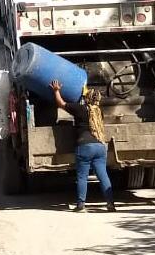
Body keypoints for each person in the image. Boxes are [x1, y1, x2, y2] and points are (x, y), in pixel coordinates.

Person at [50, 80, 116, 213]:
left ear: (87, 99)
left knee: (82, 176)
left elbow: (61, 104)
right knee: (103, 175)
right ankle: (110, 204)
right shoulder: (99, 112)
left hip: (85, 146)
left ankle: (81, 205)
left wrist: (56, 90)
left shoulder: (79, 109)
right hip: (100, 146)